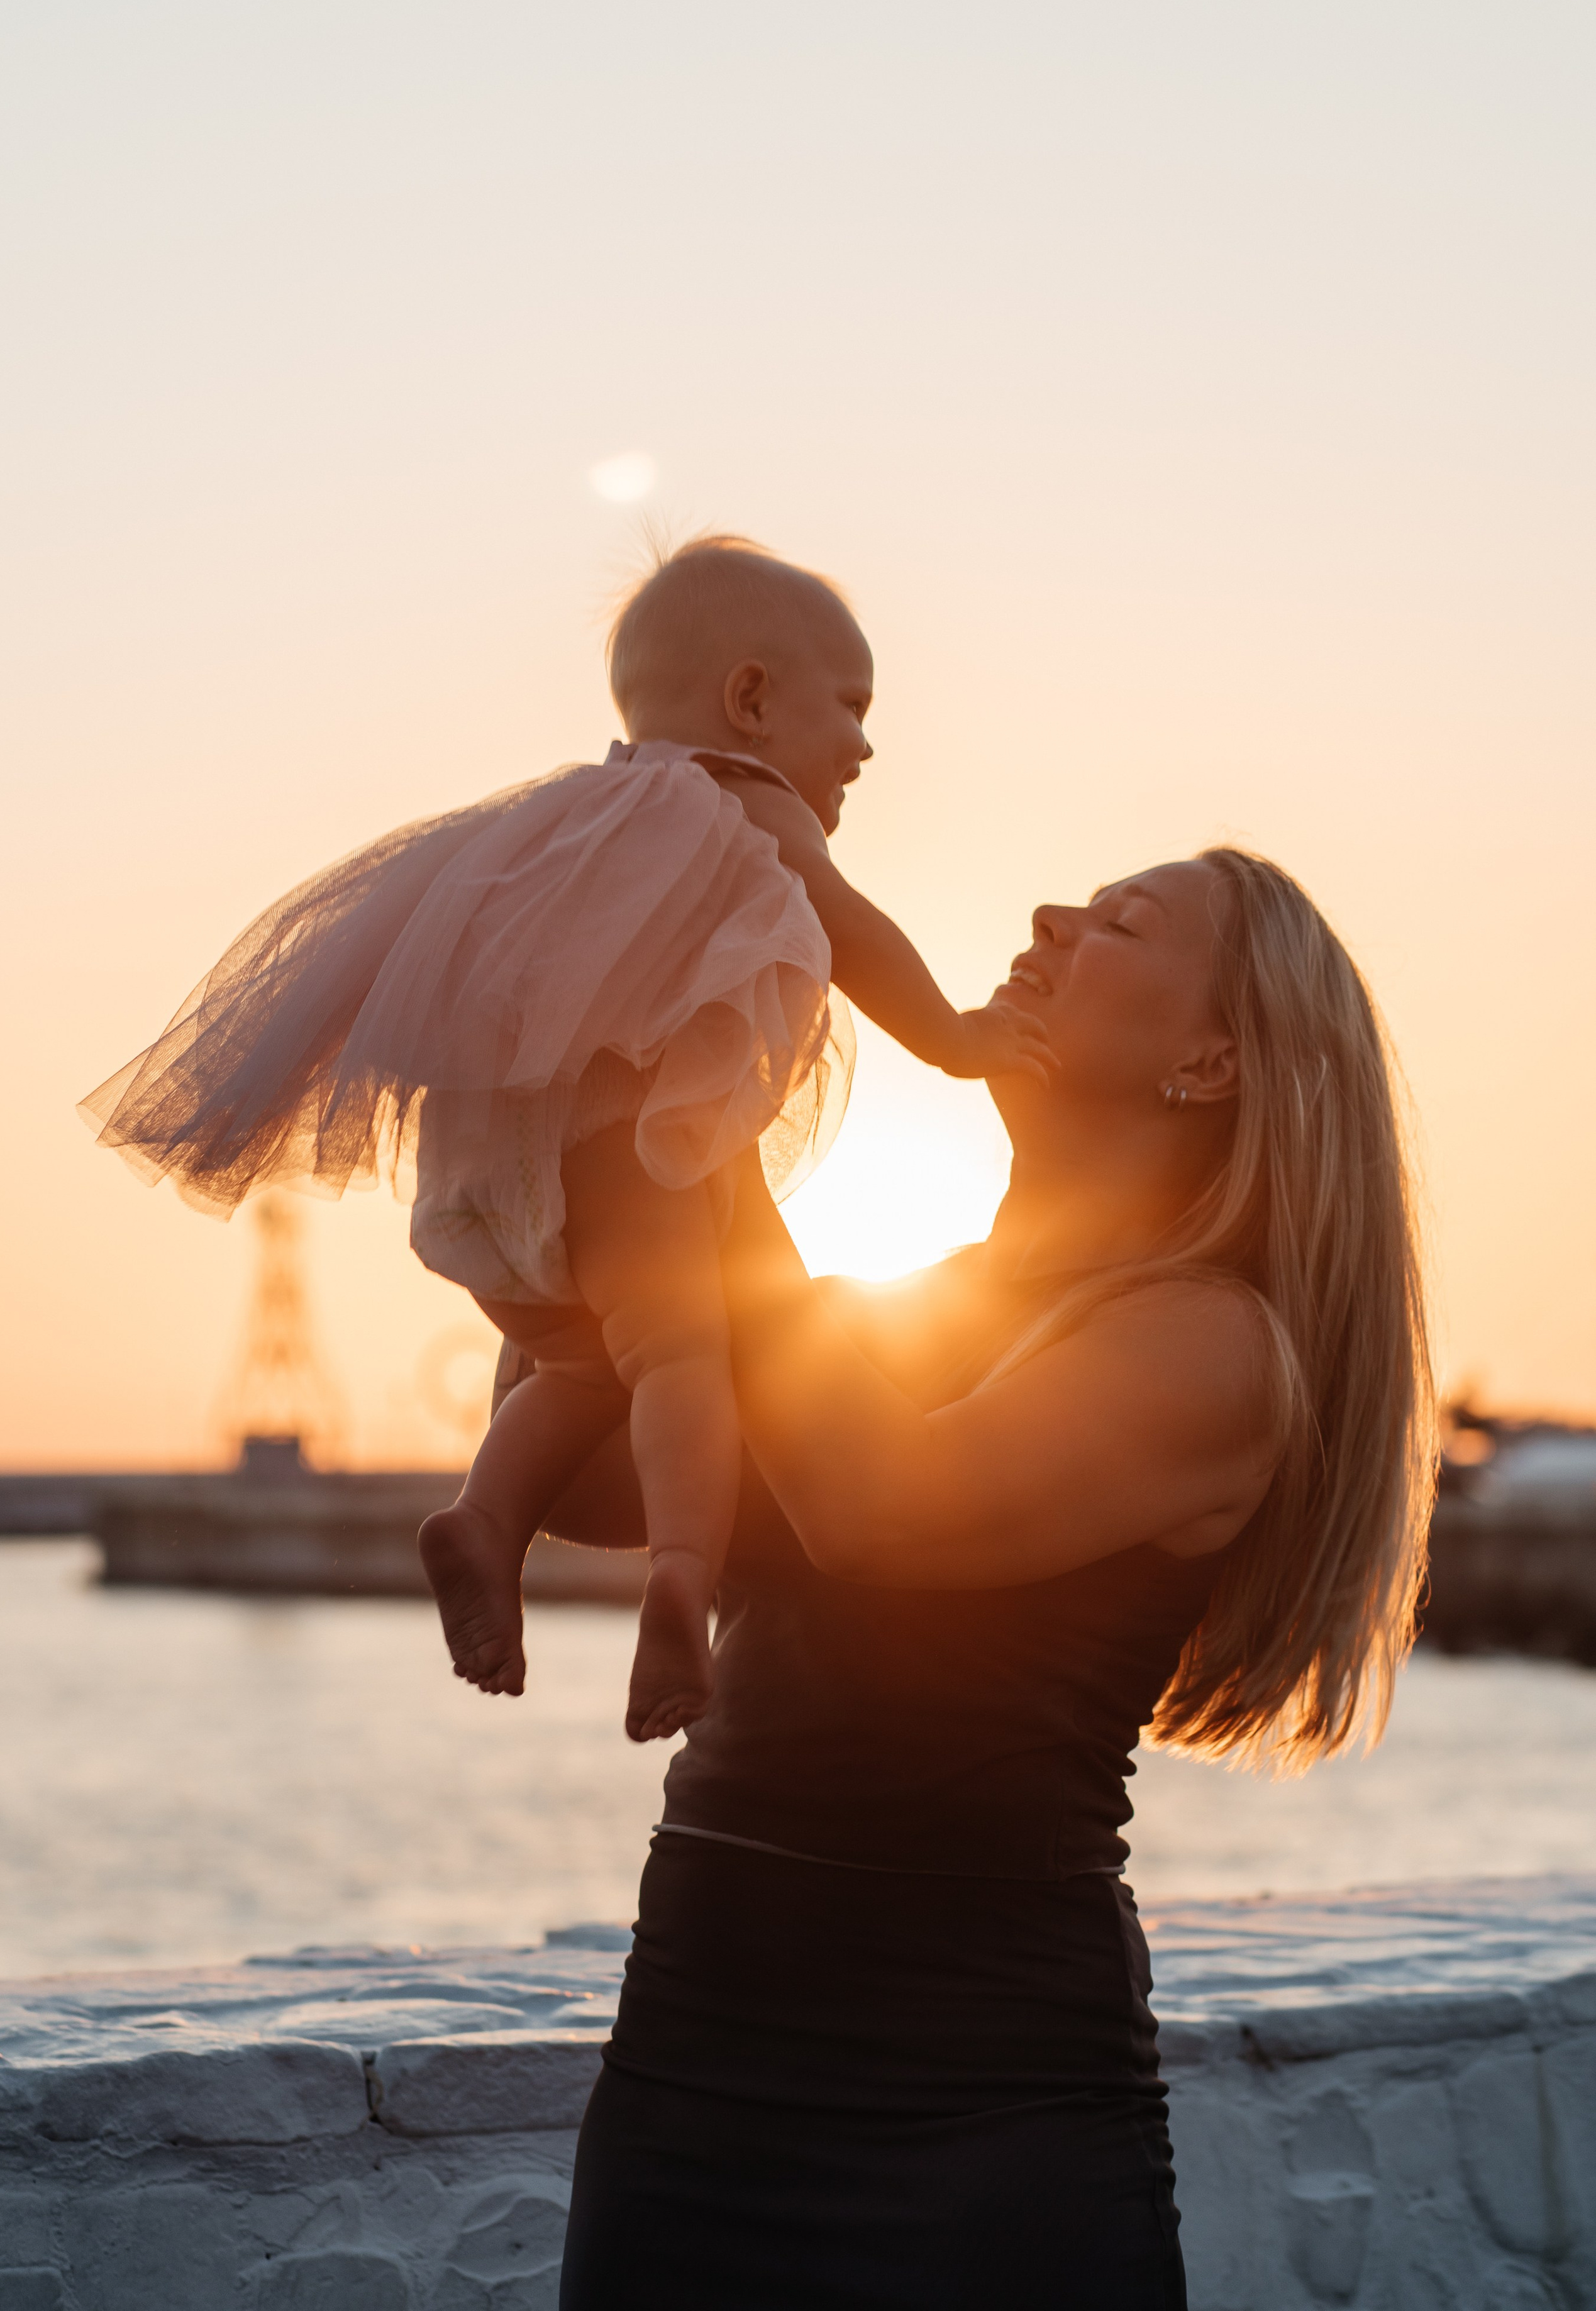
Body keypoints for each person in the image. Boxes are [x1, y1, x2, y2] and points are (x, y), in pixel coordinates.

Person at [539, 846, 1435, 2308]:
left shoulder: (1214, 1347)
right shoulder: (908, 1304)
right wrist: (597, 1160)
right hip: (686, 2071)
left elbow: (879, 1509)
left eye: (1120, 921)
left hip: (973, 2122)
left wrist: (717, 1143)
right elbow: (584, 1487)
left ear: (1209, 1061)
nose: (1048, 919)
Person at [77, 535, 1055, 1743]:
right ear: (750, 700)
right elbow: (849, 928)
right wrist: (955, 1039)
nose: (864, 747)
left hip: (490, 1171)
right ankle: (683, 1577)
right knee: (683, 1359)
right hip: (625, 1149)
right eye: (851, 707)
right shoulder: (740, 796)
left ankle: (484, 1520)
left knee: (585, 1370)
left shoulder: (566, 822)